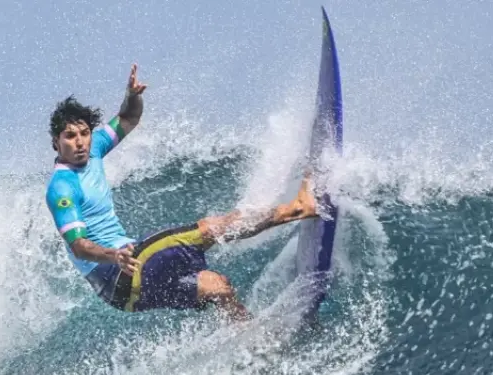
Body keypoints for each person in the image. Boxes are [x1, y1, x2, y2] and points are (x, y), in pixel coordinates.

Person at [45, 64, 317, 320]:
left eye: (83, 133)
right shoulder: (62, 188)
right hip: (116, 272)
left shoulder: (93, 151)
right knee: (210, 229)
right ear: (56, 142)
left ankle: (252, 339)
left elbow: (129, 117)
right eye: (70, 136)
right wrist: (112, 255)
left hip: (124, 293)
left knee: (218, 287)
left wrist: (132, 96)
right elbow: (79, 246)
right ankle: (298, 208)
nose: (79, 142)